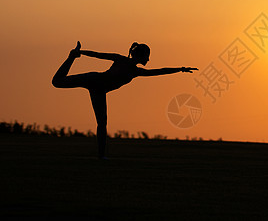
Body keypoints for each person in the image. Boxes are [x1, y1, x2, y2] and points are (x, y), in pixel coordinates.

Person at [52, 41, 198, 159]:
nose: (148, 59)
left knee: (102, 123)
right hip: (94, 79)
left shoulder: (136, 71)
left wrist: (180, 69)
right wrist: (80, 53)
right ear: (140, 56)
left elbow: (159, 71)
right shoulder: (121, 60)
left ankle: (101, 156)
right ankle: (71, 56)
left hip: (99, 90)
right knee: (57, 82)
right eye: (147, 56)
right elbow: (98, 55)